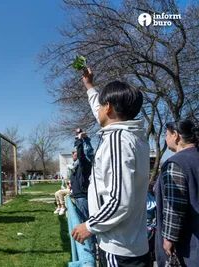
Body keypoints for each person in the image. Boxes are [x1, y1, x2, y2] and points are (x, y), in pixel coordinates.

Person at [72, 68, 150, 266]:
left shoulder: (118, 141)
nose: (96, 109)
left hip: (119, 247)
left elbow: (120, 200)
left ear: (107, 108)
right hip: (130, 243)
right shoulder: (133, 136)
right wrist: (89, 85)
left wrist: (90, 226)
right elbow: (100, 110)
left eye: (100, 105)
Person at [154, 120, 199, 267]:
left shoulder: (175, 163)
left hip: (188, 244)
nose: (165, 139)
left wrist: (168, 239)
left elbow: (174, 206)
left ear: (176, 136)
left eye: (167, 134)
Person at [54, 151, 77, 215]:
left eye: (74, 155)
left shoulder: (76, 170)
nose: (72, 156)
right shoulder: (72, 175)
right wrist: (68, 183)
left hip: (73, 190)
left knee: (60, 192)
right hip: (70, 188)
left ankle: (63, 207)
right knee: (56, 193)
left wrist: (69, 184)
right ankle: (59, 207)